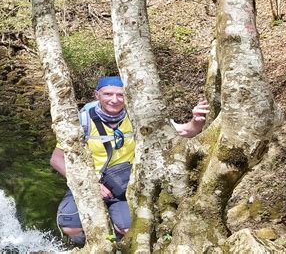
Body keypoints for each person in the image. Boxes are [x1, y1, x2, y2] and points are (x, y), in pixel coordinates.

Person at [50, 76, 209, 245]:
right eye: (108, 94)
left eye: (121, 95)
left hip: (124, 186)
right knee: (70, 227)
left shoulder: (140, 115)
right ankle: (95, 244)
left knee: (130, 231)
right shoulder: (82, 120)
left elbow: (184, 131)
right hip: (90, 183)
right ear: (97, 95)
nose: (114, 100)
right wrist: (91, 184)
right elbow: (57, 159)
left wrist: (196, 122)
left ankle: (116, 236)